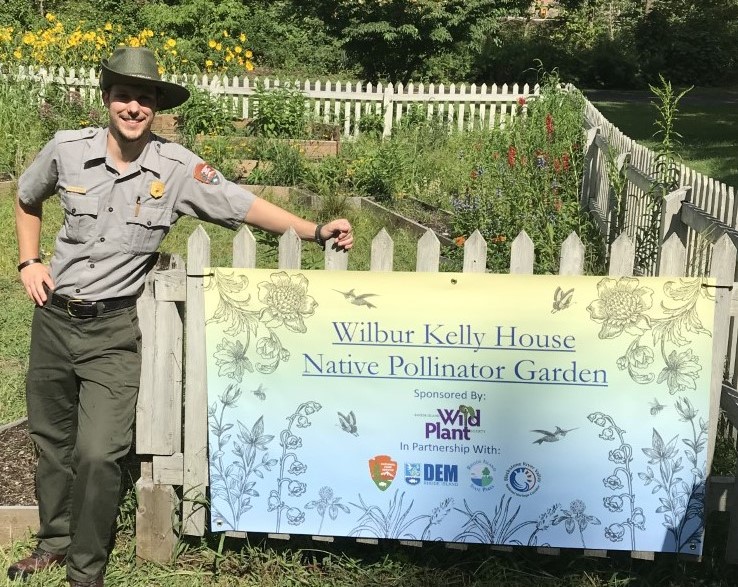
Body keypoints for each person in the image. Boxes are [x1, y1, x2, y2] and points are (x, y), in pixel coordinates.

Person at [9, 47, 353, 587]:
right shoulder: (67, 149)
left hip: (111, 332)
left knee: (99, 453)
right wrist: (29, 261)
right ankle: (54, 541)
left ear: (155, 107)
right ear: (107, 100)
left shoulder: (175, 168)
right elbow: (26, 198)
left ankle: (85, 571)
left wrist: (312, 230)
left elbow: (241, 204)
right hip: (53, 320)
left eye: (143, 98)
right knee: (53, 442)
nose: (132, 107)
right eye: (123, 96)